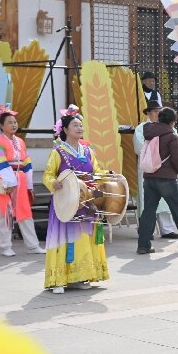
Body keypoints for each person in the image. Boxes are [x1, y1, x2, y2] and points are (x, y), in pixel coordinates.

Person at [44, 106, 110, 293]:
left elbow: (96, 172)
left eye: (81, 125)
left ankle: (81, 277)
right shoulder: (58, 152)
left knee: (83, 239)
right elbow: (48, 175)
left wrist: (109, 177)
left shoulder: (88, 151)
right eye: (75, 125)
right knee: (66, 239)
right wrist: (53, 182)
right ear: (65, 130)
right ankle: (59, 280)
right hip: (66, 204)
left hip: (86, 202)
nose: (79, 128)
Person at [136, 107, 178, 254]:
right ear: (173, 121)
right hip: (166, 178)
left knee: (148, 211)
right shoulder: (171, 136)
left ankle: (143, 245)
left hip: (149, 177)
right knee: (177, 210)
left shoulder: (148, 131)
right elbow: (176, 158)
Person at [0, 105, 43, 257]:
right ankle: (5, 246)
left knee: (25, 212)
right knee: (4, 213)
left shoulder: (20, 141)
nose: (14, 124)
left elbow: (27, 162)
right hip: (2, 181)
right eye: (10, 122)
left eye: (15, 122)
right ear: (1, 125)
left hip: (20, 179)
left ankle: (33, 245)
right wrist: (11, 183)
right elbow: (0, 163)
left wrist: (29, 183)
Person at [134, 100, 178, 239]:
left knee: (165, 201)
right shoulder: (141, 128)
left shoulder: (170, 128)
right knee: (149, 202)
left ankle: (167, 229)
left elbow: (175, 146)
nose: (157, 114)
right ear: (148, 113)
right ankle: (149, 230)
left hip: (165, 168)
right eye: (154, 111)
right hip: (149, 168)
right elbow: (140, 148)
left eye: (159, 111)